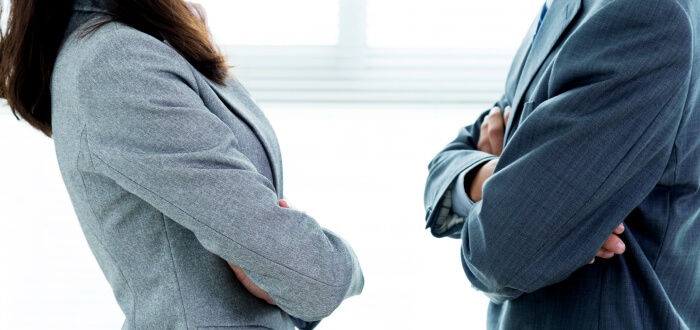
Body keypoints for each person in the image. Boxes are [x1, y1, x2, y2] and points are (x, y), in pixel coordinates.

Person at [0, 0, 363, 329]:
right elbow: (317, 280)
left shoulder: (141, 40)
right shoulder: (116, 59)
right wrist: (333, 268)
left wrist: (283, 275)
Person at [424, 0, 700, 328]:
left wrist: (525, 195)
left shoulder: (645, 13)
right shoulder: (563, 8)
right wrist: (499, 178)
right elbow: (451, 157)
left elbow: (501, 255)